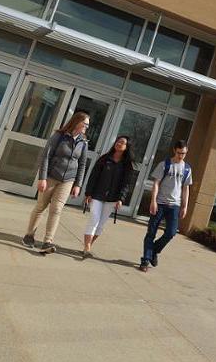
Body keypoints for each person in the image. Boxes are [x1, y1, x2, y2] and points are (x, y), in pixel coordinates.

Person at [22, 111, 89, 253]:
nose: (86, 127)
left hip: (68, 180)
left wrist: (78, 184)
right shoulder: (59, 136)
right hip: (51, 176)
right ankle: (29, 235)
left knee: (56, 209)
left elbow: (82, 164)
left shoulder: (83, 142)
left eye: (88, 125)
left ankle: (48, 241)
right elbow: (46, 156)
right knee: (41, 206)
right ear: (77, 121)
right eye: (85, 123)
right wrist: (42, 178)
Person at [140, 140, 192, 271]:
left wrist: (184, 206)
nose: (181, 156)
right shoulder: (164, 164)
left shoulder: (187, 169)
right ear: (175, 150)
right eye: (179, 153)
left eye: (184, 153)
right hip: (160, 203)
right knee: (151, 232)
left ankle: (154, 251)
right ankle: (145, 260)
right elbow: (156, 183)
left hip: (174, 205)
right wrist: (153, 201)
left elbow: (186, 189)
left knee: (171, 232)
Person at [82, 135, 135, 259]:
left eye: (122, 142)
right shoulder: (104, 159)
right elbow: (93, 177)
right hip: (97, 195)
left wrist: (121, 199)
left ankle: (88, 245)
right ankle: (87, 247)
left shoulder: (127, 165)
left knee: (101, 224)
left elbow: (126, 184)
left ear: (127, 147)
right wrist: (88, 193)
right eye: (118, 141)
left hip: (113, 199)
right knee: (94, 219)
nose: (119, 143)